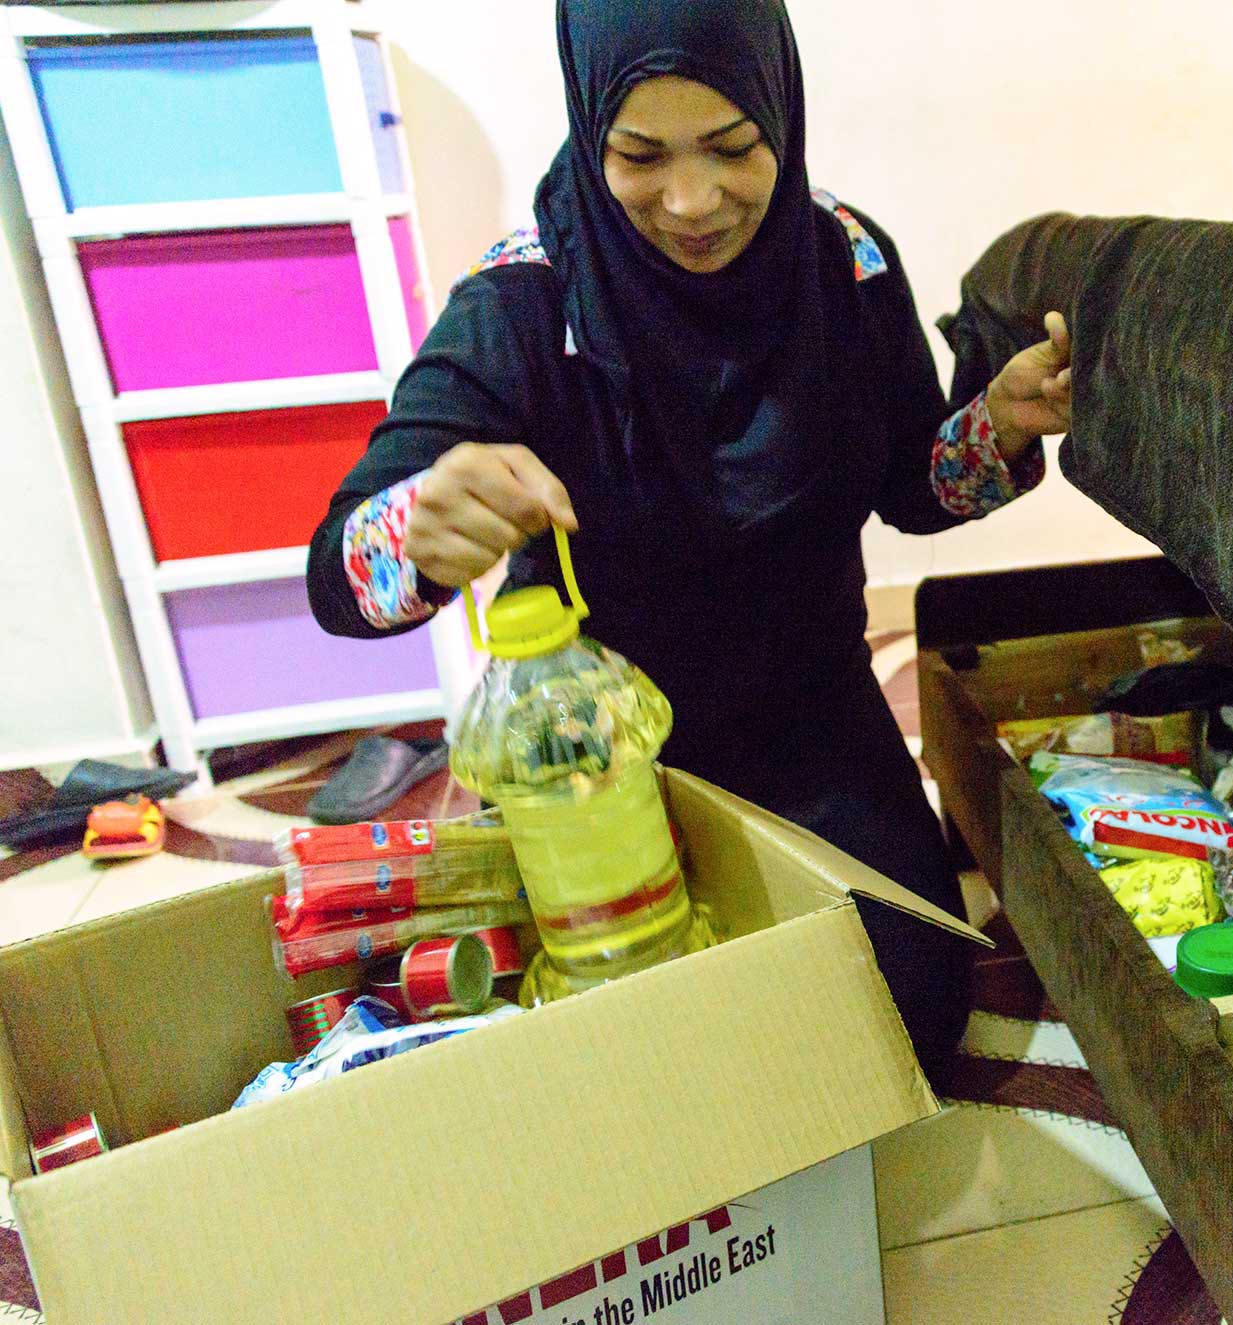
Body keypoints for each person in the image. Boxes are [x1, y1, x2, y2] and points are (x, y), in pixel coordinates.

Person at [306, 0, 1071, 1067]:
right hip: (602, 761)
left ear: (780, 112)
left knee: (902, 1012)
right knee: (634, 1048)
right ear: (585, 130)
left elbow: (910, 485)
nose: (691, 201)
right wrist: (416, 527)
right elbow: (339, 578)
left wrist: (998, 422)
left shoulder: (844, 265)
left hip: (814, 719)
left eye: (732, 148)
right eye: (638, 155)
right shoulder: (528, 296)